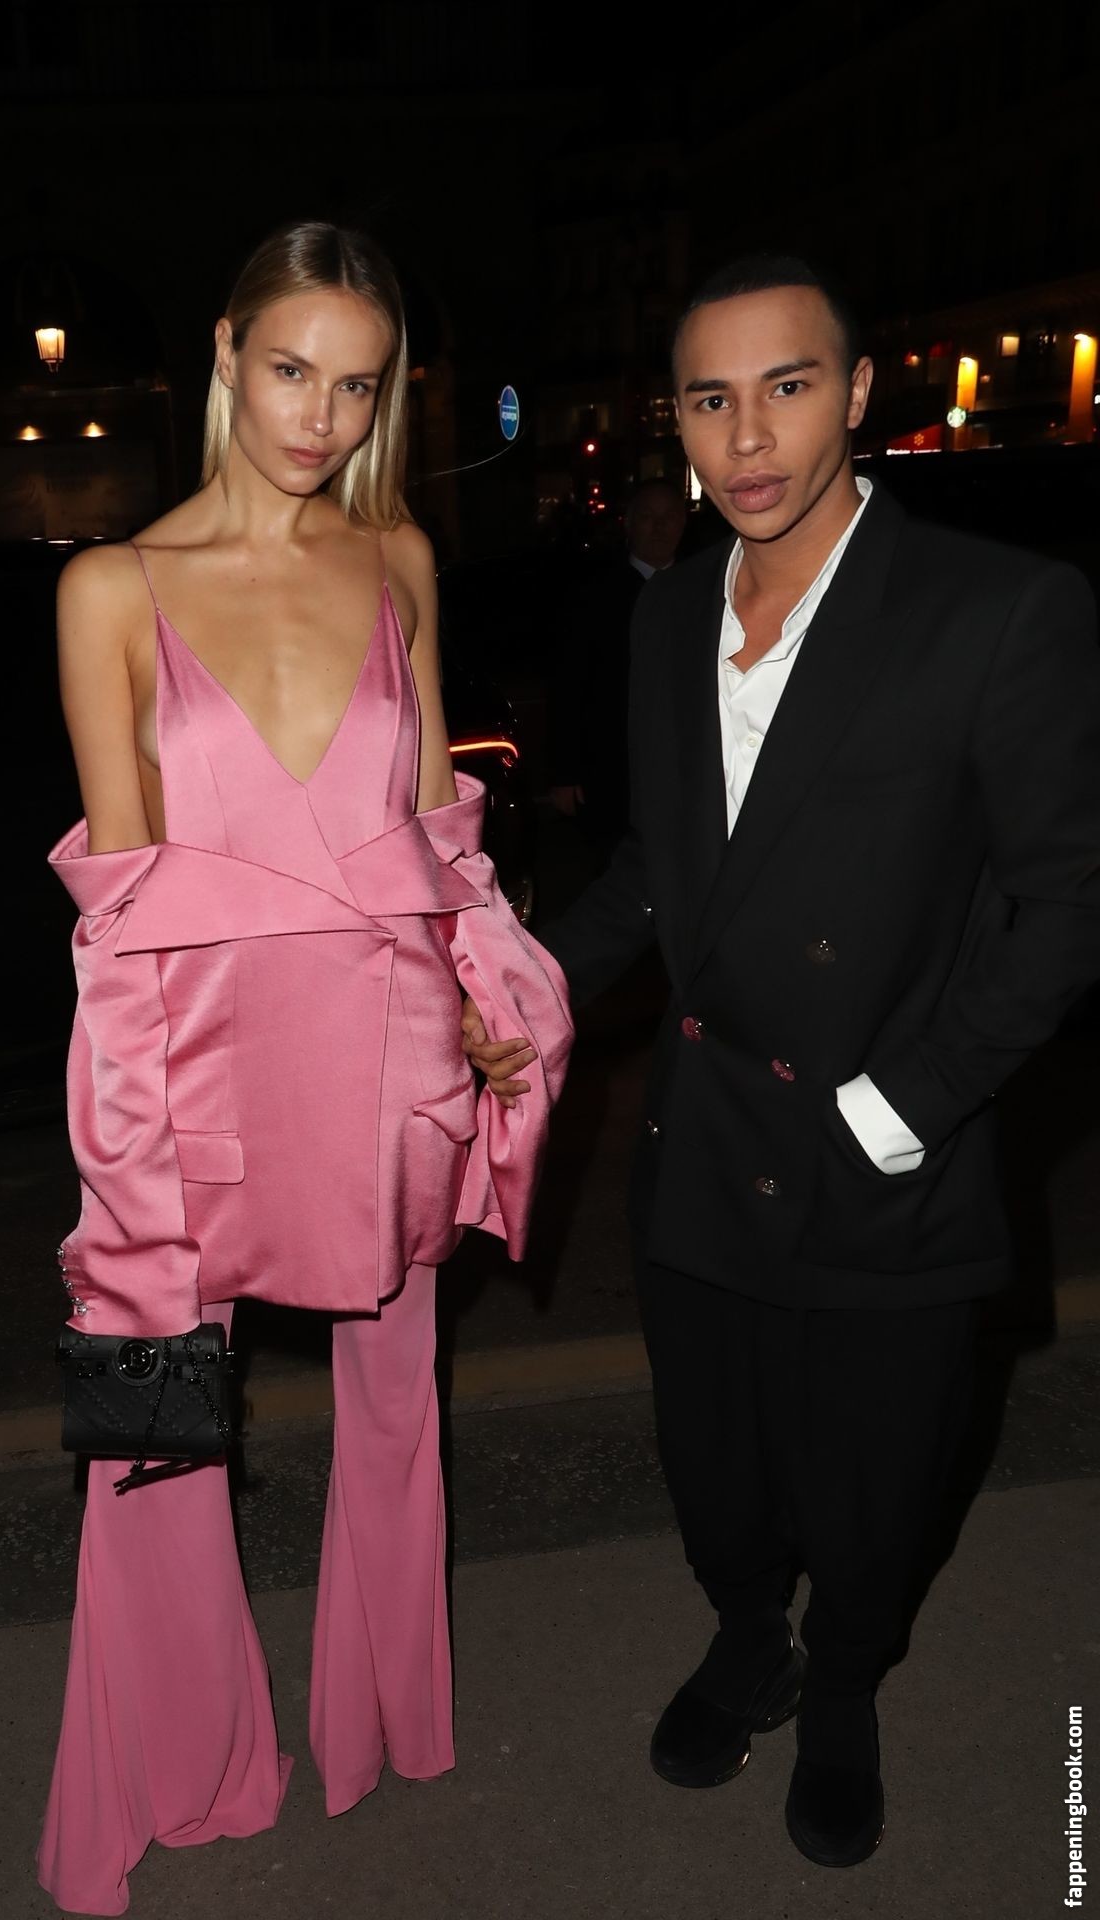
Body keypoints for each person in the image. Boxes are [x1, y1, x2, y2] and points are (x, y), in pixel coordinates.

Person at [466, 254, 1100, 1869]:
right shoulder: (668, 613)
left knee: (873, 1488)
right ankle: (752, 1639)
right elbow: (664, 874)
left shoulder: (995, 609)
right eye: (710, 398)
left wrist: (908, 1105)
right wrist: (520, 986)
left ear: (860, 393)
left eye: (788, 387)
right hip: (703, 1144)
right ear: (674, 419)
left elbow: (1067, 902)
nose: (748, 438)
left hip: (885, 1150)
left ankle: (845, 1690)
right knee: (719, 1470)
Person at [38, 220, 572, 1917]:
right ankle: (186, 1759)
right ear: (225, 352)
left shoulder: (398, 556)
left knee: (396, 1396)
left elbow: (434, 837)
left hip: (390, 1046)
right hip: (199, 1064)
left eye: (355, 385)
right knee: (157, 1424)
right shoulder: (110, 588)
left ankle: (383, 1720)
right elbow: (121, 910)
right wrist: (122, 1157)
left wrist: (488, 991)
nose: (318, 418)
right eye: (289, 371)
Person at [548, 478, 686, 847]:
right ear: (629, 522)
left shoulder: (704, 589)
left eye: (669, 517)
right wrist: (564, 773)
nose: (659, 527)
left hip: (684, 767)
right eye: (648, 517)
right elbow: (568, 684)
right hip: (611, 767)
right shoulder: (593, 594)